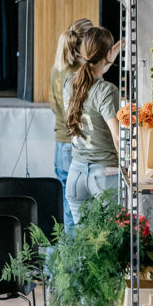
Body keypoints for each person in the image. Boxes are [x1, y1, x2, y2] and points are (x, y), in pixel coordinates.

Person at [63, 26, 121, 306]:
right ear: (107, 55)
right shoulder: (106, 90)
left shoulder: (69, 83)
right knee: (110, 253)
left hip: (76, 176)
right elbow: (117, 137)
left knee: (89, 254)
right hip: (104, 176)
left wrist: (111, 52)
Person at [49, 18, 94, 229]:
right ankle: (79, 252)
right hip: (77, 147)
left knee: (70, 209)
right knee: (84, 212)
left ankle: (70, 251)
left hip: (60, 145)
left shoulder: (57, 68)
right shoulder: (81, 72)